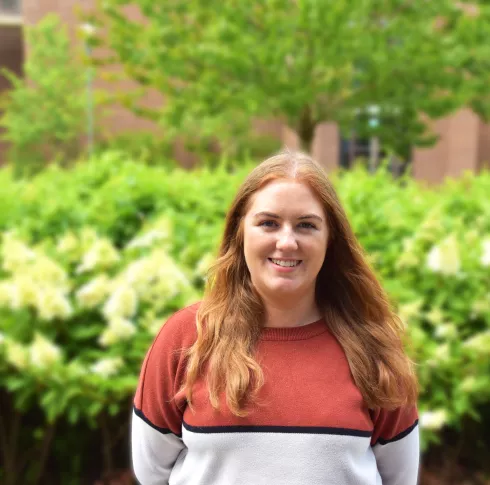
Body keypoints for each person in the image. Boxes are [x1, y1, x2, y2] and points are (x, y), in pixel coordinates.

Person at [131, 150, 420, 485]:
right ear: (240, 232)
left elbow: (399, 477)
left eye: (306, 225)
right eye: (268, 223)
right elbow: (151, 472)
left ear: (331, 239)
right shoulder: (185, 338)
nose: (287, 242)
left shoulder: (372, 346)